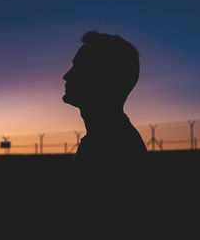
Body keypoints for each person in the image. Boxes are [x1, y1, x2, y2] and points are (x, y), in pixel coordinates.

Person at [62, 31, 147, 188]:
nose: (66, 76)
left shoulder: (114, 150)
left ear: (102, 77)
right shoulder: (106, 139)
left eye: (79, 67)